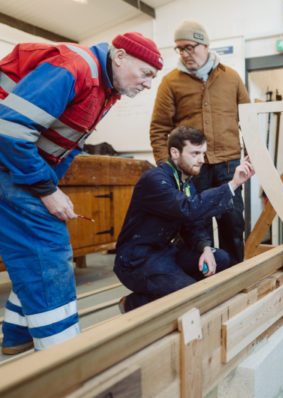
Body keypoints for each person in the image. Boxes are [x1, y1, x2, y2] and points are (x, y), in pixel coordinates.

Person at [0, 32, 163, 354]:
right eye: (146, 73)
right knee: (48, 254)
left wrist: (53, 187)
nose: (147, 85)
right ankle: (62, 356)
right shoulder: (73, 67)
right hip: (9, 165)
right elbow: (11, 130)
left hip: (20, 168)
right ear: (119, 57)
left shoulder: (106, 89)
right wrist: (47, 191)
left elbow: (67, 142)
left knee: (33, 255)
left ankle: (18, 337)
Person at [114, 126, 255, 312]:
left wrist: (205, 248)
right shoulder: (155, 180)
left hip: (164, 252)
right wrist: (233, 184)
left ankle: (172, 286)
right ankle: (133, 303)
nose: (201, 160)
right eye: (195, 153)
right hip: (137, 260)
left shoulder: (184, 181)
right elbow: (188, 209)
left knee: (220, 258)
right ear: (175, 153)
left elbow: (192, 224)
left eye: (203, 154)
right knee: (189, 295)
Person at [150, 20, 250, 264]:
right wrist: (170, 168)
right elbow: (159, 128)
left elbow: (249, 122)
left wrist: (254, 156)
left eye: (190, 47)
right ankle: (202, 283)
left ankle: (234, 279)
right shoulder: (170, 82)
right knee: (195, 228)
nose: (185, 54)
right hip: (192, 170)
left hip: (229, 166)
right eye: (180, 49)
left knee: (233, 225)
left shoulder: (232, 78)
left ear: (205, 44)